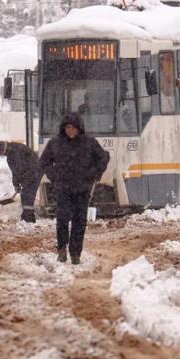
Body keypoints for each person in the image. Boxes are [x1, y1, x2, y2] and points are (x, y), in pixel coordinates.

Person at [38, 112, 110, 264]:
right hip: (62, 188)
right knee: (62, 220)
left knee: (79, 221)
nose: (70, 130)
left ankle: (75, 253)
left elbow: (104, 157)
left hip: (82, 189)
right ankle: (62, 249)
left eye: (73, 128)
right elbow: (44, 162)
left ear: (79, 128)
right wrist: (54, 176)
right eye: (67, 127)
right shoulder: (55, 143)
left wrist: (94, 174)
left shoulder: (89, 142)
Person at [0, 140, 40, 223]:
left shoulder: (17, 151)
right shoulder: (10, 157)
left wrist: (24, 182)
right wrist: (16, 184)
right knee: (25, 195)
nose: (2, 155)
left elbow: (25, 168)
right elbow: (15, 172)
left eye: (1, 153)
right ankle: (26, 218)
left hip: (35, 173)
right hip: (28, 174)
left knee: (28, 195)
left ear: (4, 149)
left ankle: (28, 220)